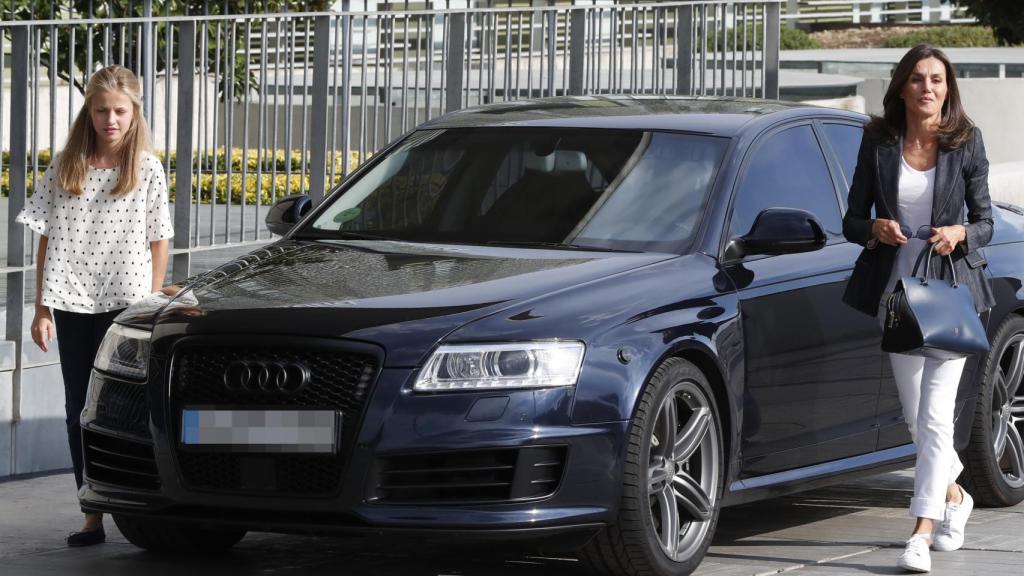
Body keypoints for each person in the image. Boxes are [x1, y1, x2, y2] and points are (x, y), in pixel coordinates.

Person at [841, 45, 995, 573]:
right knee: (917, 421)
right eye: (917, 80)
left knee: (933, 416)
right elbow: (850, 220)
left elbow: (986, 222)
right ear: (902, 88)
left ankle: (920, 534)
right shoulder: (878, 141)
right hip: (898, 297)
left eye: (936, 79)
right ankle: (955, 497)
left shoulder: (966, 142)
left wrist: (961, 233)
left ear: (947, 87)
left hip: (950, 296)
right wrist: (875, 229)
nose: (927, 88)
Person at [16, 65, 174, 547]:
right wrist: (41, 308)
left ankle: (145, 501)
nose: (110, 119)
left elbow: (159, 240)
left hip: (126, 303)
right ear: (89, 109)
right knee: (76, 409)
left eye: (119, 111)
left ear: (134, 113)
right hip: (70, 301)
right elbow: (45, 238)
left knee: (127, 408)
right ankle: (92, 511)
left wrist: (152, 297)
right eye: (102, 109)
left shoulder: (145, 167)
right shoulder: (66, 165)